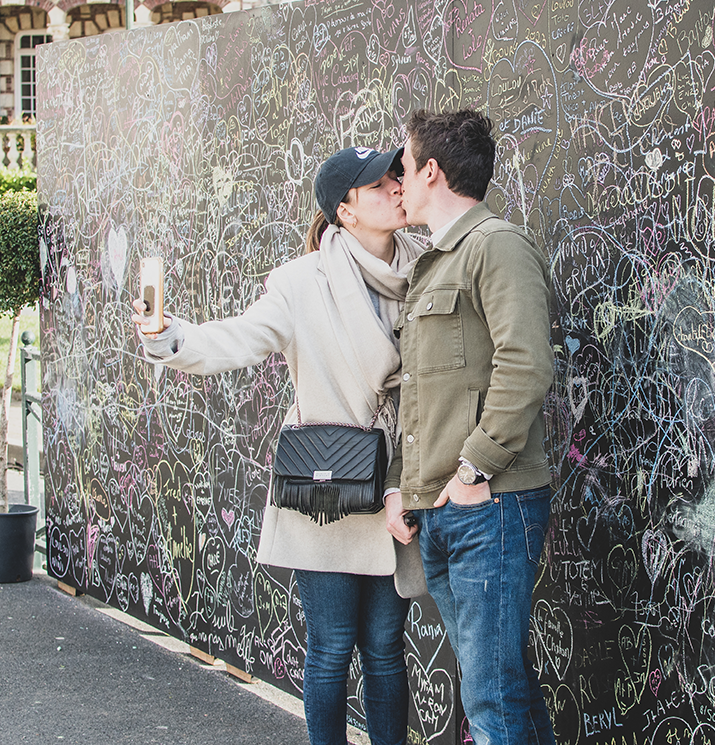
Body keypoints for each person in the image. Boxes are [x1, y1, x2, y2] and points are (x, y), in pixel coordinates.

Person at [131, 146, 426, 745]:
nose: (398, 186)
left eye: (397, 175)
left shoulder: (426, 267)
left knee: (386, 649)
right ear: (345, 211)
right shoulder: (300, 282)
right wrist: (169, 336)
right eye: (378, 184)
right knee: (331, 649)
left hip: (399, 484)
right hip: (330, 490)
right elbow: (239, 338)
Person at [383, 108, 557, 745]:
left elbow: (527, 363)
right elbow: (422, 394)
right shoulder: (434, 263)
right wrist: (403, 485)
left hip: (490, 505)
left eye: (404, 169)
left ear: (432, 171)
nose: (398, 185)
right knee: (503, 692)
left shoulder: (495, 246)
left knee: (491, 701)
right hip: (446, 508)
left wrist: (473, 472)